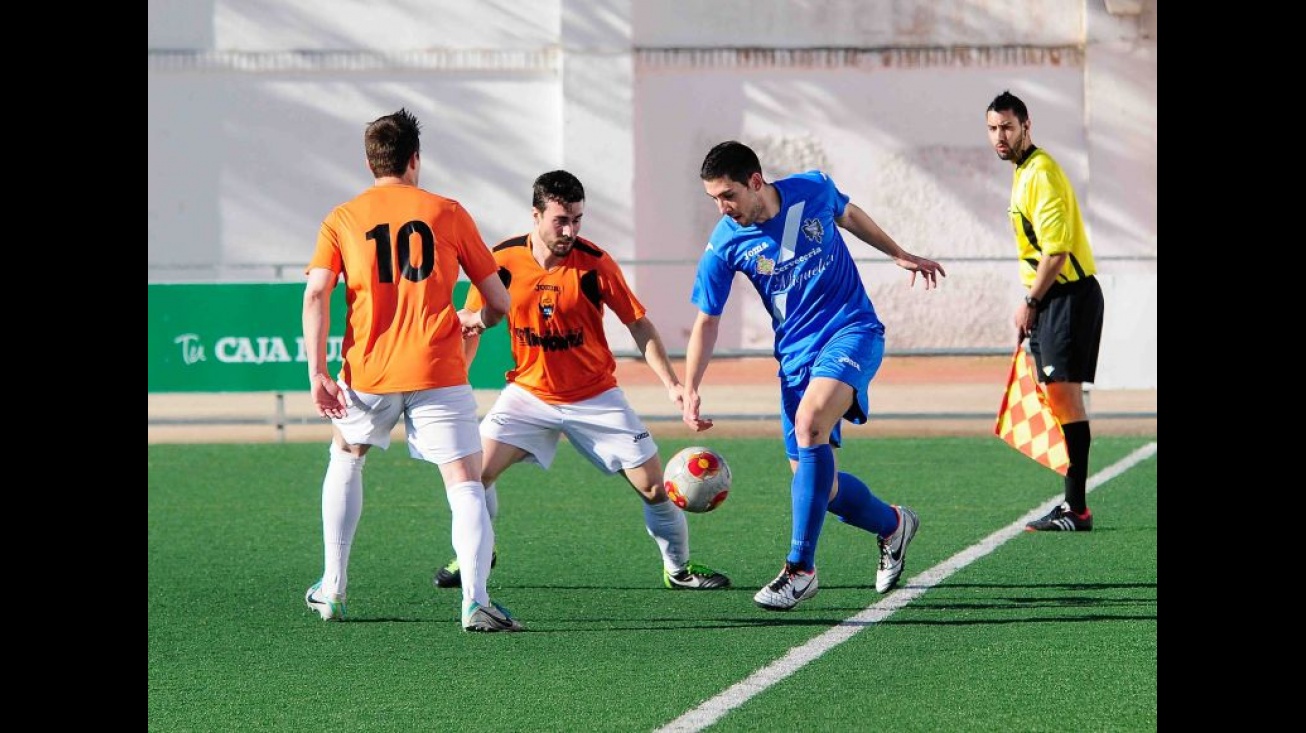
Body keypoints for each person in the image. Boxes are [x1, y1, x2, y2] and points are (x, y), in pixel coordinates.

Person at [431, 169, 731, 592]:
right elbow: (472, 327)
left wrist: (672, 384)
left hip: (596, 397)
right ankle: (476, 551)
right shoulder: (500, 261)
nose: (570, 230)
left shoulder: (594, 263)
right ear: (535, 215)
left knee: (652, 488)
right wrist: (457, 380)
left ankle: (678, 570)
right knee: (472, 476)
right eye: (561, 220)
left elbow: (638, 324)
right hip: (528, 395)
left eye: (577, 219)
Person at [683, 141, 946, 610]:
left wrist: (899, 253)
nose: (723, 208)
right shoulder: (725, 243)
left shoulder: (813, 189)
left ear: (755, 182)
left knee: (809, 426)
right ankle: (892, 524)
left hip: (853, 332)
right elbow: (707, 319)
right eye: (714, 200)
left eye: (728, 196)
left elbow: (850, 214)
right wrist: (690, 388)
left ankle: (800, 569)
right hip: (795, 360)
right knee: (817, 485)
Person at [301, 108, 523, 632]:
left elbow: (316, 292)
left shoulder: (343, 217)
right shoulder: (447, 211)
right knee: (464, 482)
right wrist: (476, 319)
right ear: (415, 159)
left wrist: (316, 371)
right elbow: (498, 301)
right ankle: (477, 601)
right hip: (437, 368)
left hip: (369, 370)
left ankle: (332, 588)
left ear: (370, 161)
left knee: (347, 457)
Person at [985, 91, 1105, 532]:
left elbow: (1058, 251)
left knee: (1065, 401)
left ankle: (1077, 509)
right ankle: (1074, 505)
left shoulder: (1041, 173)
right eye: (994, 129)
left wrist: (1030, 303)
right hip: (1056, 298)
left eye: (1008, 128)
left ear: (1026, 126)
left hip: (1066, 297)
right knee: (1058, 399)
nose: (1000, 136)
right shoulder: (1023, 171)